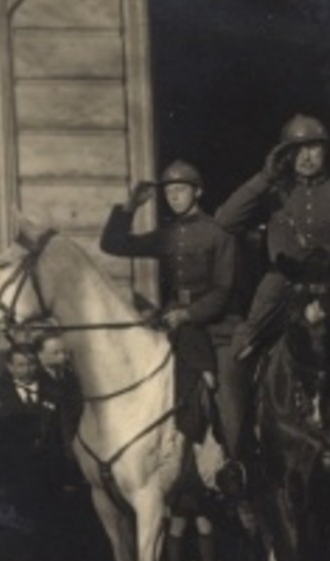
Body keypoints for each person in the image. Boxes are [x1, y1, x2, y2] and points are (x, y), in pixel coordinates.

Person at [101, 159, 238, 456]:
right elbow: (113, 245)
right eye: (169, 191)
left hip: (212, 324)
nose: (173, 196)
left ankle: (232, 459)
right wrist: (130, 207)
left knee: (228, 396)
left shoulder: (218, 233)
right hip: (173, 320)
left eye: (180, 190)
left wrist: (188, 313)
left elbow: (223, 290)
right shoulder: (167, 234)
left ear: (197, 192)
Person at [216, 115, 330, 361]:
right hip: (279, 290)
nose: (305, 157)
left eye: (312, 147)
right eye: (296, 150)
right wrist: (265, 177)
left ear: (325, 151)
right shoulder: (274, 194)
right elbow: (226, 220)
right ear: (285, 156)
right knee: (237, 355)